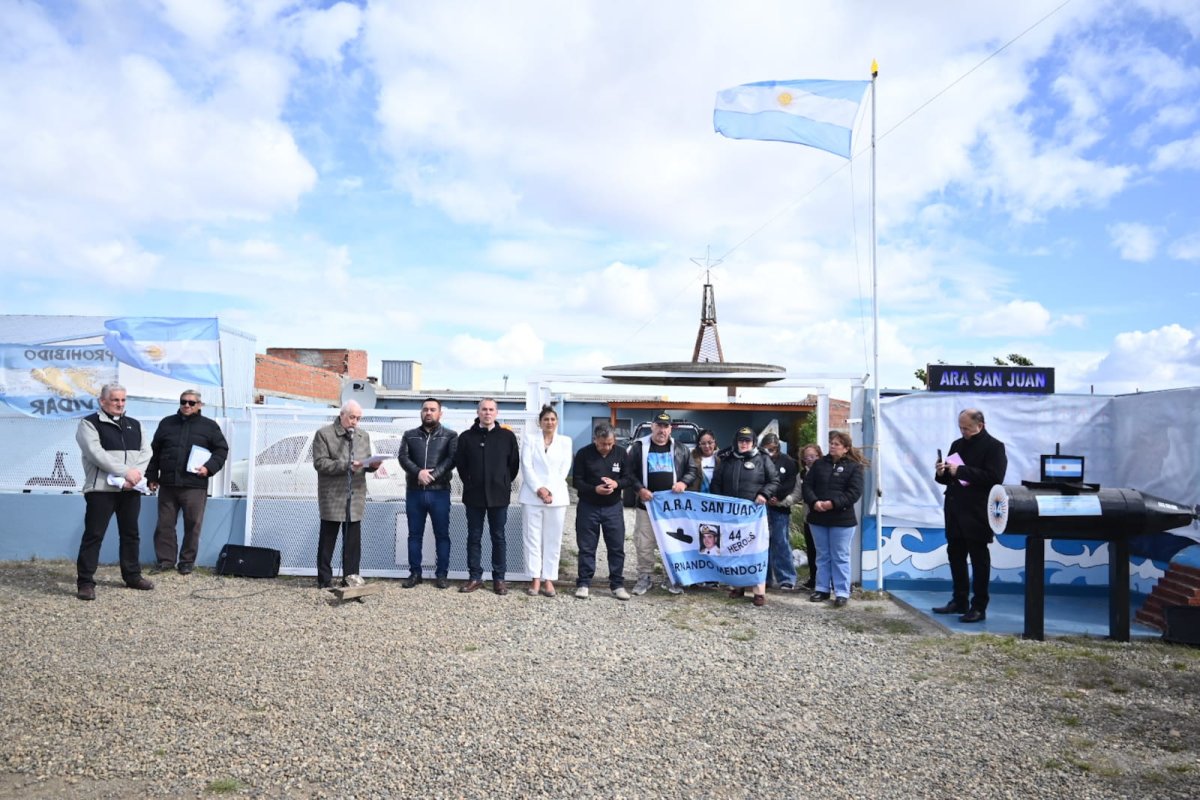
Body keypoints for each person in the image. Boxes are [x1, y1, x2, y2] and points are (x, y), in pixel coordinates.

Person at [74, 383, 154, 600]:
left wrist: (134, 476)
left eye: (123, 400)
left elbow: (146, 452)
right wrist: (126, 472)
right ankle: (85, 582)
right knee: (94, 535)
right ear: (102, 401)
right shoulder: (89, 424)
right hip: (101, 490)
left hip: (130, 489)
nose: (120, 404)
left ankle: (132, 576)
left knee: (131, 534)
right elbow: (96, 453)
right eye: (115, 400)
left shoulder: (135, 424)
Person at [934, 408, 1008, 623]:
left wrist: (961, 471)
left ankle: (979, 606)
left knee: (979, 558)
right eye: (960, 427)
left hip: (977, 511)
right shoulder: (957, 444)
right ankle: (959, 600)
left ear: (980, 425)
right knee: (955, 555)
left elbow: (995, 477)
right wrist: (941, 472)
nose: (963, 432)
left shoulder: (994, 447)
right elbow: (948, 478)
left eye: (966, 428)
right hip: (954, 508)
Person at [146, 389, 229, 575]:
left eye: (191, 403)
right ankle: (165, 561)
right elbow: (155, 452)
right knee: (164, 525)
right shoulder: (166, 423)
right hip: (168, 484)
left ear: (199, 405)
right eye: (183, 401)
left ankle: (186, 562)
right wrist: (151, 476)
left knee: (193, 525)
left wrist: (208, 468)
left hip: (194, 485)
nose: (187, 405)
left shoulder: (209, 426)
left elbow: (221, 450)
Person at [626, 411, 696, 596]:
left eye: (666, 426)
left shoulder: (681, 448)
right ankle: (644, 577)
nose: (662, 430)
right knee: (644, 542)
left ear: (670, 429)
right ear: (652, 427)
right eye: (659, 426)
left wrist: (683, 483)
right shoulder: (639, 447)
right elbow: (628, 472)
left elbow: (692, 470)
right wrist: (639, 489)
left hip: (671, 509)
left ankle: (671, 578)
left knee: (672, 543)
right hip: (647, 506)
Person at [455, 397, 520, 595]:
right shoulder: (466, 437)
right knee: (474, 537)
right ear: (478, 412)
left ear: (496, 413)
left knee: (498, 537)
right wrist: (471, 481)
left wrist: (502, 482)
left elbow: (513, 465)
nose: (487, 413)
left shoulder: (507, 437)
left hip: (499, 495)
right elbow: (461, 465)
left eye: (491, 409)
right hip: (473, 495)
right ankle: (475, 577)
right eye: (484, 409)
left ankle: (499, 579)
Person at [312, 401, 379, 589]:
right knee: (328, 540)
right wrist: (347, 465)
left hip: (355, 495)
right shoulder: (324, 434)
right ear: (341, 415)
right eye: (352, 417)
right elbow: (320, 463)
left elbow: (365, 463)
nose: (355, 422)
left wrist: (372, 466)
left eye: (358, 418)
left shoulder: (363, 435)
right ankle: (324, 580)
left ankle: (350, 579)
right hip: (332, 496)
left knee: (352, 543)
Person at [711, 426, 778, 607]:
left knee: (755, 552)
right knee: (734, 549)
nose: (744, 444)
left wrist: (764, 494)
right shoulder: (727, 459)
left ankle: (759, 591)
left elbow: (774, 481)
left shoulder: (763, 458)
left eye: (748, 440)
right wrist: (720, 502)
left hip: (753, 517)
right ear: (736, 441)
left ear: (754, 442)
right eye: (741, 440)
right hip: (731, 515)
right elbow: (716, 483)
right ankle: (737, 586)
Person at [397, 397, 457, 590]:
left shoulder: (450, 435)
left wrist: (432, 476)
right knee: (414, 535)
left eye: (432, 409)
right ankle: (415, 573)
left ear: (440, 413)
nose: (428, 412)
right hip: (415, 492)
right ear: (421, 412)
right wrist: (418, 473)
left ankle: (442, 575)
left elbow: (452, 459)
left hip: (439, 493)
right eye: (425, 409)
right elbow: (403, 457)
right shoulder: (409, 435)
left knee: (442, 535)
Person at [802, 431, 867, 607]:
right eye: (831, 443)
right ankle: (822, 589)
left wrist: (833, 503)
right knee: (822, 555)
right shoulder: (819, 464)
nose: (832, 446)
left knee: (840, 556)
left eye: (837, 444)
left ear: (846, 448)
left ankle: (841, 592)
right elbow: (807, 486)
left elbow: (854, 493)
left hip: (841, 520)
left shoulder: (854, 467)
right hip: (818, 518)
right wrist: (814, 502)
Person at [572, 424, 632, 600]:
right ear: (595, 440)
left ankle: (617, 584)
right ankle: (584, 583)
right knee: (586, 547)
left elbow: (629, 478)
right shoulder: (583, 453)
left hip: (613, 507)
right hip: (588, 506)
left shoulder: (621, 453)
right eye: (602, 444)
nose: (606, 447)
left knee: (616, 546)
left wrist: (616, 484)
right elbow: (577, 481)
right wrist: (594, 489)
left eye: (610, 443)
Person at [518, 405, 573, 598]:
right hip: (532, 496)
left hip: (556, 497)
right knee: (532, 538)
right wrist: (539, 489)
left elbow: (564, 469)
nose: (549, 422)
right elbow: (526, 466)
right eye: (546, 419)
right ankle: (535, 577)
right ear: (540, 422)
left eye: (552, 419)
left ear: (557, 422)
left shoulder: (565, 441)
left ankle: (549, 578)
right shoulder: (530, 439)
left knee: (552, 539)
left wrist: (549, 489)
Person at [761, 433, 800, 591]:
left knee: (781, 542)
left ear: (777, 447)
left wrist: (778, 497)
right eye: (766, 448)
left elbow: (791, 483)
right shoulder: (759, 460)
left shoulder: (788, 462)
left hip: (780, 507)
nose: (770, 451)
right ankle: (765, 578)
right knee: (763, 543)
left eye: (772, 448)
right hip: (762, 506)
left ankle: (786, 578)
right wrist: (765, 495)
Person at [797, 443, 823, 590]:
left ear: (819, 456)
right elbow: (797, 494)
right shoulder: (801, 475)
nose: (810, 460)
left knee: (823, 551)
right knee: (811, 549)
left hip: (824, 516)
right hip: (808, 516)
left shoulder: (826, 471)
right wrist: (781, 501)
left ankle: (825, 581)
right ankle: (813, 579)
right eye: (807, 457)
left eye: (813, 456)